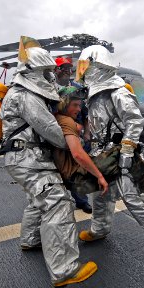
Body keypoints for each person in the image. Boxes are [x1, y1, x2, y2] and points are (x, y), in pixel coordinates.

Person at [0, 36, 97, 287]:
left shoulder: (22, 93)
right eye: (47, 72)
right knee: (58, 202)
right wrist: (74, 139)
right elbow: (52, 132)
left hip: (25, 158)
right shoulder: (26, 96)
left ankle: (30, 239)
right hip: (28, 158)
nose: (51, 77)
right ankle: (64, 270)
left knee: (38, 199)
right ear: (33, 72)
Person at [75, 45, 144, 260]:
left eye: (86, 66)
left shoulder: (118, 91)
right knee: (100, 196)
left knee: (134, 198)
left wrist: (126, 153)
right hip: (104, 154)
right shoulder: (96, 94)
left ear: (98, 66)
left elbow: (134, 121)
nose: (83, 71)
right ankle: (100, 229)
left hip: (121, 152)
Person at [54, 56, 92, 214]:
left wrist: (87, 133)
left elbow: (86, 114)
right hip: (56, 135)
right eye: (63, 68)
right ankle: (57, 202)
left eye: (69, 68)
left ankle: (82, 201)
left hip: (76, 135)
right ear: (55, 70)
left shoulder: (77, 88)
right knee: (56, 170)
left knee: (78, 168)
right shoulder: (49, 88)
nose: (66, 71)